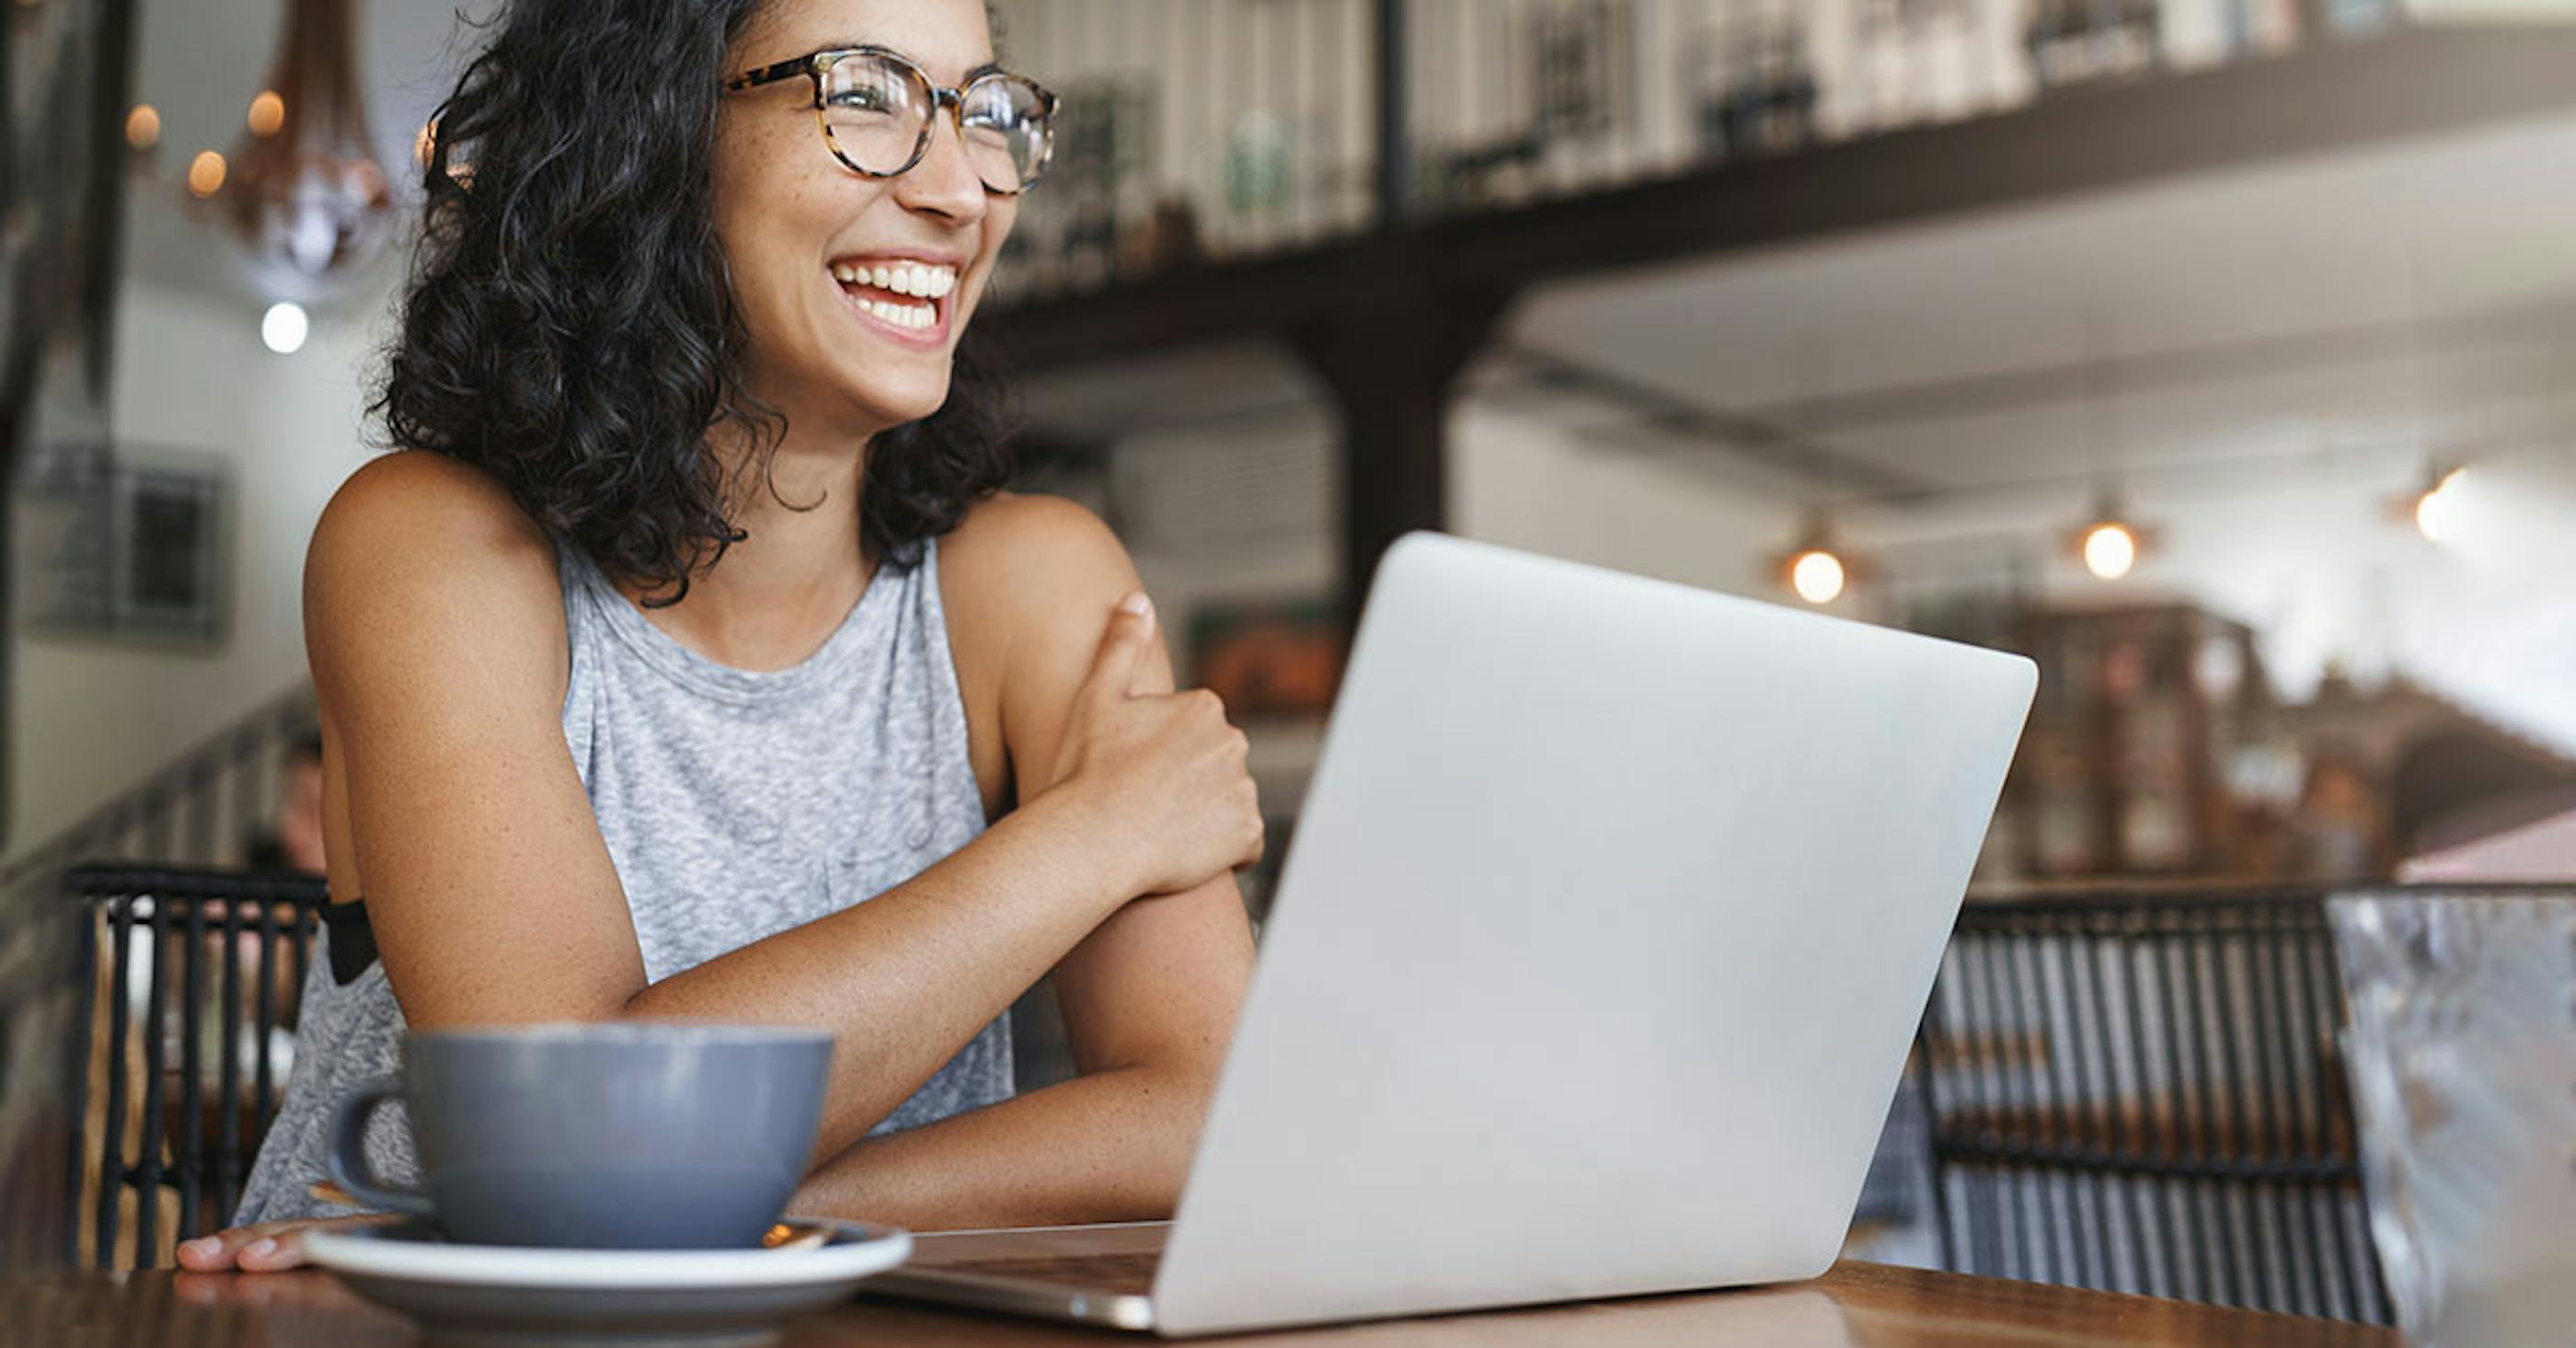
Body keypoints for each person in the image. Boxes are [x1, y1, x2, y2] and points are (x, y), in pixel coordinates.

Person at [180, 0, 1261, 1272]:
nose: (964, 187)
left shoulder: (1036, 584)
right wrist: (1092, 840)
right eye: (865, 93)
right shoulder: (429, 547)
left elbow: (1210, 1116)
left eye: (984, 109)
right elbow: (569, 1136)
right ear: (653, 131)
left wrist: (721, 1213)